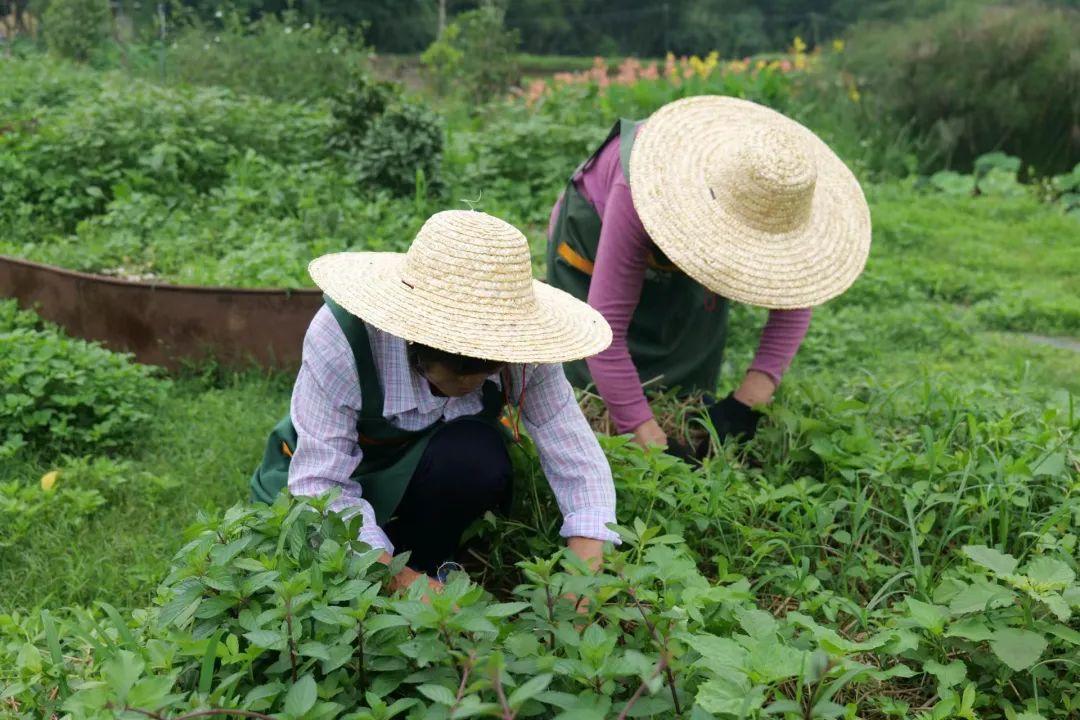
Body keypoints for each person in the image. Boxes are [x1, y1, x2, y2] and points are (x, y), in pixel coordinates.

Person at [252, 210, 618, 594]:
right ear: (415, 338)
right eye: (457, 376)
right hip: (336, 472)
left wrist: (584, 580)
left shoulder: (525, 348)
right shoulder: (342, 336)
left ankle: (431, 558)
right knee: (318, 552)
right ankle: (392, 578)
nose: (473, 384)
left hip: (431, 471)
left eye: (487, 372)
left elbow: (576, 459)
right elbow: (321, 487)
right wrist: (404, 584)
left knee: (475, 457)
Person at [547, 96, 871, 456]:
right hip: (594, 238)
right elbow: (603, 332)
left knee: (689, 392)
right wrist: (650, 438)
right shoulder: (642, 186)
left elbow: (795, 294)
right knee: (587, 392)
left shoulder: (779, 196)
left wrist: (748, 400)